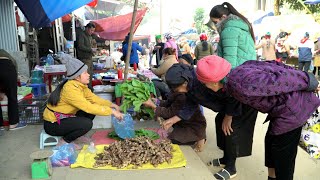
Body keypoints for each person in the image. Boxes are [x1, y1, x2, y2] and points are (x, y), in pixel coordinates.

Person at [196, 55, 320, 180]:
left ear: (214, 81)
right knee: (271, 149)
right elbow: (274, 64)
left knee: (283, 159)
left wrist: (309, 81)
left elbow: (283, 78)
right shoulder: (239, 70)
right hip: (281, 111)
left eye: (204, 83)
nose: (205, 86)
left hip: (293, 111)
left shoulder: (243, 84)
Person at [163, 62, 258, 179]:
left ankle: (231, 167)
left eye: (177, 89)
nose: (178, 92)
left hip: (240, 104)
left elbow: (232, 95)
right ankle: (226, 158)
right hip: (226, 106)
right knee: (220, 122)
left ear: (185, 82)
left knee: (231, 130)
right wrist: (173, 120)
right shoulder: (190, 87)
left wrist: (228, 116)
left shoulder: (203, 79)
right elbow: (190, 104)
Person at [43, 53, 123, 148]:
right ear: (77, 77)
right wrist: (112, 112)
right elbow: (88, 107)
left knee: (91, 111)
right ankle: (65, 141)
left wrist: (111, 105)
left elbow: (93, 99)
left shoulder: (80, 85)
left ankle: (76, 136)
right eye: (85, 73)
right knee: (86, 124)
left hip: (65, 117)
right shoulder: (70, 89)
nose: (88, 75)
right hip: (53, 124)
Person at [143, 68, 206, 152]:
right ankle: (196, 136)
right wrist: (157, 102)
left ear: (185, 83)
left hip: (193, 126)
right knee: (172, 135)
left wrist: (153, 106)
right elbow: (168, 103)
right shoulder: (176, 92)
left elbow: (170, 112)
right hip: (183, 123)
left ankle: (199, 137)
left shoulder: (183, 96)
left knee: (173, 139)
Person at [210, 2, 256, 68]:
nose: (215, 25)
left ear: (223, 17)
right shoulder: (240, 27)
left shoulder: (229, 31)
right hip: (248, 71)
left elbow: (229, 61)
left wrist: (227, 78)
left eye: (215, 22)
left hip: (238, 74)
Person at [0, 49, 27, 134]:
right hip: (8, 68)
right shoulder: (5, 54)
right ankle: (13, 124)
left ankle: (0, 126)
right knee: (12, 97)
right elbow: (15, 64)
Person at [76, 22, 96, 87]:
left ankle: (89, 90)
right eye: (91, 30)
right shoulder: (82, 35)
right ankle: (86, 91)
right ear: (87, 28)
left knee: (90, 75)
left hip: (89, 59)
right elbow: (80, 46)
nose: (92, 32)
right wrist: (90, 50)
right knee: (85, 77)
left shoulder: (90, 37)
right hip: (84, 59)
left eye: (93, 30)